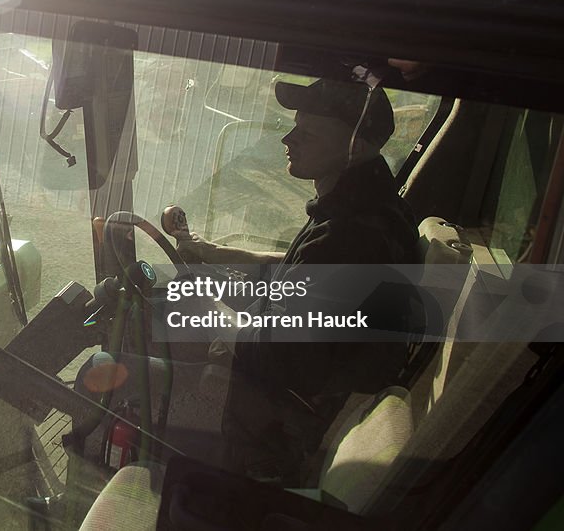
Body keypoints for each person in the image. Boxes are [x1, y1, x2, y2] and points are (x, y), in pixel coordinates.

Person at [162, 76, 421, 484]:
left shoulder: (350, 234)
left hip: (284, 429)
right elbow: (306, 267)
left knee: (107, 370)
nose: (287, 138)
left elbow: (269, 352)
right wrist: (217, 254)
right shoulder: (369, 208)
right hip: (302, 386)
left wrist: (203, 302)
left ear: (356, 147)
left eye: (308, 131)